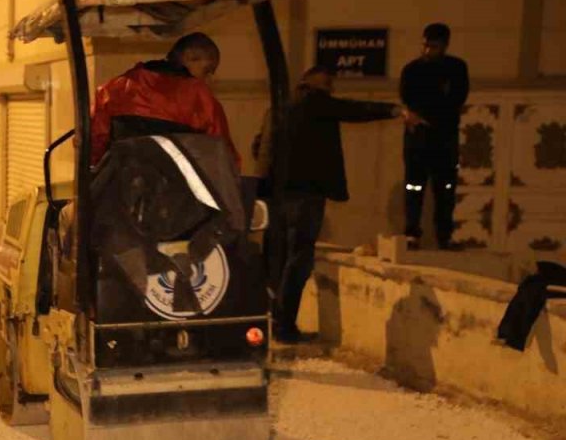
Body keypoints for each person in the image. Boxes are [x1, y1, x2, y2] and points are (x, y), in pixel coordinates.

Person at [258, 66, 404, 343]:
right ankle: (283, 325)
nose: (330, 88)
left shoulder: (277, 108)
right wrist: (394, 111)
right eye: (327, 84)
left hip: (274, 196)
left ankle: (269, 321)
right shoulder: (314, 102)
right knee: (299, 259)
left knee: (275, 258)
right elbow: (354, 110)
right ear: (312, 84)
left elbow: (259, 146)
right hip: (306, 193)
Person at [89, 32, 237, 168]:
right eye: (207, 70)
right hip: (177, 192)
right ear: (189, 57)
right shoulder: (201, 99)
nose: (208, 79)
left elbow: (94, 145)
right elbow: (224, 158)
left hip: (122, 188)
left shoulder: (113, 89)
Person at [400, 23, 469, 250]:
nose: (428, 51)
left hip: (444, 138)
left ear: (445, 46)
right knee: (414, 187)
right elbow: (408, 98)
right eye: (425, 45)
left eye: (434, 46)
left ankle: (444, 235)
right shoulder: (412, 70)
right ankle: (412, 233)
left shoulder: (456, 69)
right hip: (418, 138)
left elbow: (456, 98)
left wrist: (435, 113)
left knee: (445, 189)